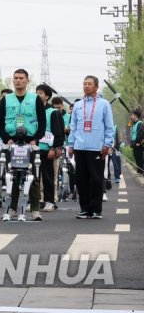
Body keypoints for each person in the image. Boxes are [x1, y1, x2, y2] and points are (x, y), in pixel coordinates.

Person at [0, 69, 47, 221]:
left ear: (27, 80)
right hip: (11, 143)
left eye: (21, 78)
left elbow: (42, 121)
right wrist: (6, 139)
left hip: (30, 143)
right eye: (15, 78)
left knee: (33, 176)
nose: (18, 81)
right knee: (12, 176)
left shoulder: (35, 99)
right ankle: (12, 208)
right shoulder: (6, 100)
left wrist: (36, 139)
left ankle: (35, 209)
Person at [68, 75, 115, 219]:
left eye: (89, 84)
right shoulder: (78, 105)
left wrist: (107, 144)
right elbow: (73, 126)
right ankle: (85, 209)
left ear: (96, 87)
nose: (86, 86)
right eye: (84, 84)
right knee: (80, 180)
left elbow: (109, 126)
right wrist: (71, 145)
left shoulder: (104, 104)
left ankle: (96, 210)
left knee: (96, 179)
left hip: (97, 148)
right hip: (80, 147)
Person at [35, 84, 65, 214]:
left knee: (48, 176)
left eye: (40, 93)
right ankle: (36, 200)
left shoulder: (52, 112)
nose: (38, 95)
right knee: (35, 176)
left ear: (47, 96)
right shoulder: (33, 111)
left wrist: (55, 147)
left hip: (47, 149)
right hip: (34, 148)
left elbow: (58, 131)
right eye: (36, 92)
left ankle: (50, 201)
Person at [131, 108, 144, 175]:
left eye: (132, 115)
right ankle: (139, 171)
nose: (131, 116)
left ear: (135, 115)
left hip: (138, 145)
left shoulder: (140, 123)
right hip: (134, 144)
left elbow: (141, 134)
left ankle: (141, 172)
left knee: (139, 158)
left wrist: (138, 143)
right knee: (137, 158)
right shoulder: (134, 123)